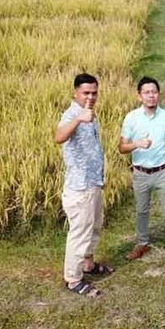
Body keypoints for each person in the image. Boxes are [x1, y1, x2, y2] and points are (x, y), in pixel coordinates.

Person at [55, 73, 113, 297]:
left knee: (94, 227)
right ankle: (73, 278)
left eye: (94, 93)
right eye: (86, 93)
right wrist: (79, 119)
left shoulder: (90, 115)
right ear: (75, 93)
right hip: (79, 187)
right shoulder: (71, 115)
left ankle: (88, 264)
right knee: (79, 232)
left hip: (93, 183)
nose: (91, 97)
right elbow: (59, 137)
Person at [119, 76, 165, 270]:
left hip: (163, 171)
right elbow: (122, 147)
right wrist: (136, 144)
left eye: (154, 92)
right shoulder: (131, 118)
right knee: (141, 210)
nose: (151, 96)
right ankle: (142, 243)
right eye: (146, 92)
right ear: (139, 96)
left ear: (159, 95)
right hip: (140, 173)